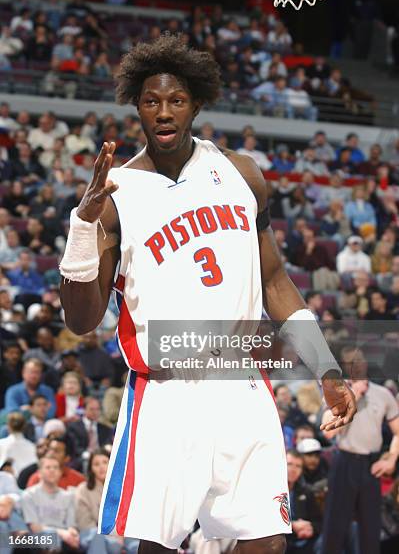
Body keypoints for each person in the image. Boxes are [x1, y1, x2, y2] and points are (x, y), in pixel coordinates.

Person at [59, 34, 355, 554]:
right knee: (156, 547)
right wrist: (83, 228)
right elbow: (81, 320)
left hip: (240, 383)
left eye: (176, 101)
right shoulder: (117, 196)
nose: (164, 112)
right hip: (167, 390)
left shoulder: (242, 174)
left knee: (267, 540)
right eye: (152, 101)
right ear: (137, 107)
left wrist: (326, 368)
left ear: (196, 103)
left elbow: (274, 283)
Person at [321, 353, 399, 554]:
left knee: (371, 528)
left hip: (371, 465)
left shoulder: (383, 394)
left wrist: (391, 459)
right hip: (344, 462)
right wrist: (352, 397)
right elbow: (329, 433)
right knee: (335, 526)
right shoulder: (335, 392)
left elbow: (398, 431)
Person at [75, 447, 139, 553]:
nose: (101, 467)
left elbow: (128, 517)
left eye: (105, 462)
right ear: (91, 469)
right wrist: (110, 535)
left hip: (121, 534)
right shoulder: (83, 490)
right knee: (99, 539)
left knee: (135, 545)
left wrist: (119, 534)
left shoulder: (122, 488)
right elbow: (84, 523)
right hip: (93, 533)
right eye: (96, 464)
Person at [21, 456, 80, 551]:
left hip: (64, 539)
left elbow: (71, 525)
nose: (52, 470)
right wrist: (61, 533)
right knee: (52, 537)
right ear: (39, 473)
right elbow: (34, 527)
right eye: (48, 467)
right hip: (38, 538)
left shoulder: (69, 496)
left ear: (60, 473)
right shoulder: (29, 495)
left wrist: (72, 533)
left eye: (56, 467)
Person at [285, 450, 322, 554]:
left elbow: (320, 521)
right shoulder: (271, 491)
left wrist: (311, 528)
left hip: (305, 541)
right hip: (282, 541)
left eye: (298, 466)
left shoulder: (306, 491)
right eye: (290, 464)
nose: (293, 469)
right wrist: (292, 525)